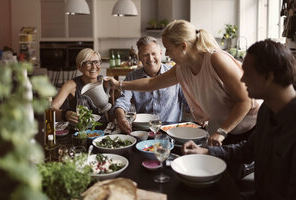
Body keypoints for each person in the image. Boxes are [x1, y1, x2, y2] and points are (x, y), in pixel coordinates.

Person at [105, 20, 261, 146]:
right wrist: (118, 84)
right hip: (225, 130)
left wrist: (222, 132)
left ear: (183, 46)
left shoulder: (216, 59)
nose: (166, 54)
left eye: (168, 48)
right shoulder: (182, 68)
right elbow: (151, 83)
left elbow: (245, 101)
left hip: (248, 129)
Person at [183, 39, 296, 200]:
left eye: (247, 74)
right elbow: (247, 150)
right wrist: (206, 150)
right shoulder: (267, 110)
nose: (242, 80)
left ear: (269, 77)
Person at [112, 36, 187, 134]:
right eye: (146, 55)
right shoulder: (132, 77)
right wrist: (121, 118)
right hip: (143, 131)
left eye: (153, 53)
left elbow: (188, 100)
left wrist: (201, 115)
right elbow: (122, 101)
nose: (150, 59)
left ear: (160, 53)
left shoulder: (174, 74)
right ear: (139, 57)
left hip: (171, 131)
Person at [52, 48, 107, 125]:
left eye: (96, 62)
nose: (94, 67)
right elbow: (51, 110)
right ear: (79, 67)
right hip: (80, 131)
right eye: (88, 63)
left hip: (104, 130)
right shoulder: (71, 85)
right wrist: (65, 114)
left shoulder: (105, 82)